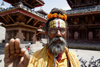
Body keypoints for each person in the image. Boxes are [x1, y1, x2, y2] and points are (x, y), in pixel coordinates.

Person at [4, 8, 80, 67]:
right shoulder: (35, 57)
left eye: (62, 30)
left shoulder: (73, 58)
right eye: (53, 30)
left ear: (66, 33)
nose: (58, 34)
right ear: (46, 33)